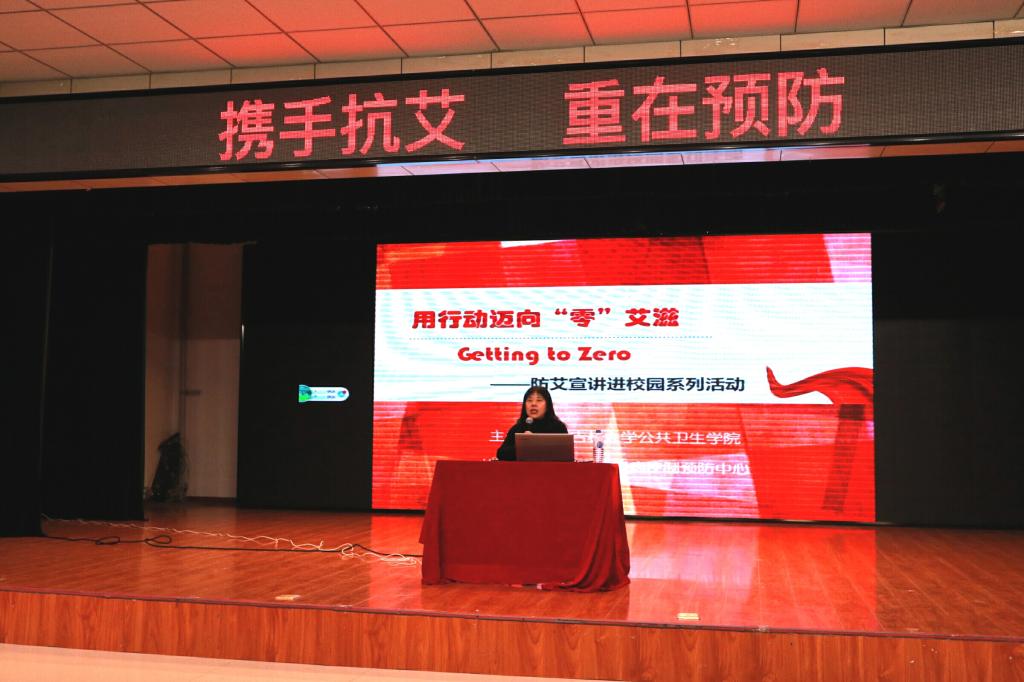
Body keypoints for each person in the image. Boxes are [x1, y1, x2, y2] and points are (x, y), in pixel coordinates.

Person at [495, 386, 568, 461]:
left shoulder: (558, 428)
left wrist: (534, 444)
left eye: (539, 400)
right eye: (529, 400)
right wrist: (522, 446)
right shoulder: (517, 428)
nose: (533, 404)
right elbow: (501, 454)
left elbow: (565, 455)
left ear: (548, 405)